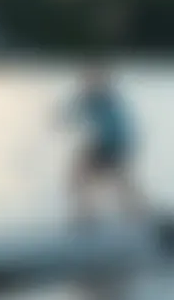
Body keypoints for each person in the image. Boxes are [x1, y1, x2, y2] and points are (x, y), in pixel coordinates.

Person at [61, 67, 143, 227]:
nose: (88, 83)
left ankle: (88, 219)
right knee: (114, 182)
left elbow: (117, 128)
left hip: (111, 145)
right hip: (108, 145)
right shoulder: (92, 97)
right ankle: (132, 215)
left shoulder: (103, 98)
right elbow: (70, 115)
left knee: (84, 177)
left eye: (93, 79)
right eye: (88, 79)